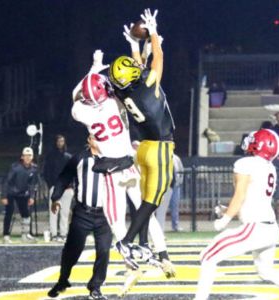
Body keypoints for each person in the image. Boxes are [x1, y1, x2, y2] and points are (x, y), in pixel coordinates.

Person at [71, 49, 174, 280]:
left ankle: (129, 257)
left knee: (115, 217)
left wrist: (94, 65)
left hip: (111, 171)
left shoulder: (81, 112)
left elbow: (76, 93)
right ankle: (162, 253)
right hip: (129, 165)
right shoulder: (116, 101)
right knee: (146, 211)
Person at [194, 129, 279, 300]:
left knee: (207, 257)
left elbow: (240, 195)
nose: (249, 141)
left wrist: (225, 219)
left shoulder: (246, 163)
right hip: (269, 228)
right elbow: (251, 199)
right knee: (266, 271)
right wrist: (228, 210)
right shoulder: (269, 167)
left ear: (260, 144)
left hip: (255, 228)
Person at [108, 8, 176, 275]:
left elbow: (137, 68)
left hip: (144, 148)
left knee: (147, 198)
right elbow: (157, 58)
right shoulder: (146, 83)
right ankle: (126, 243)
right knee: (152, 200)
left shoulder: (122, 91)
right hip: (160, 148)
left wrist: (135, 45)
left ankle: (144, 244)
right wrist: (154, 32)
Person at [47, 145, 111, 300]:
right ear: (89, 139)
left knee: (104, 251)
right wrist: (55, 197)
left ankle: (95, 287)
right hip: (83, 212)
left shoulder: (113, 156)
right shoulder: (79, 158)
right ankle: (63, 280)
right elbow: (64, 177)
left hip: (105, 215)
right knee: (73, 250)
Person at [1, 147, 38, 244]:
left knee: (26, 214)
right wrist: (4, 195)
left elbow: (32, 184)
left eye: (29, 155)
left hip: (23, 194)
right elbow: (6, 181)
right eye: (25, 155)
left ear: (32, 157)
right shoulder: (15, 167)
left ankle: (25, 235)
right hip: (11, 193)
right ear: (22, 157)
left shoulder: (34, 169)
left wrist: (31, 196)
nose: (27, 157)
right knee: (9, 213)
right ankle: (6, 236)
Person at [43, 134, 73, 242]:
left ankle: (64, 234)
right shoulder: (50, 156)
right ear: (55, 142)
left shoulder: (69, 157)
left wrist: (71, 186)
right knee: (54, 212)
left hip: (67, 189)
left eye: (62, 141)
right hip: (55, 188)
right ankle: (54, 234)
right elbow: (46, 172)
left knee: (65, 213)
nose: (61, 143)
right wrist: (51, 185)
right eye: (59, 141)